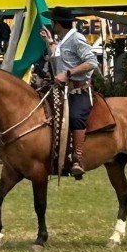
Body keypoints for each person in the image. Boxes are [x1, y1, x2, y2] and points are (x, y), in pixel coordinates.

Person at [47, 12, 99, 179]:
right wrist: (49, 43)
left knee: (76, 117)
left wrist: (68, 74)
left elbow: (92, 62)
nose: (51, 25)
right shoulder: (63, 41)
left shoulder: (76, 38)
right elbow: (60, 58)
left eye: (52, 22)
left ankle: (77, 159)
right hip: (62, 91)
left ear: (58, 24)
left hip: (78, 90)